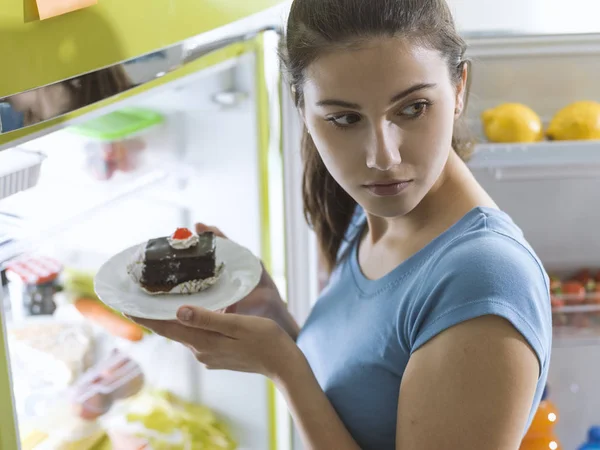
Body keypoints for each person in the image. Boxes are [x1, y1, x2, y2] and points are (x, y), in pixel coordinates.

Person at [131, 0, 552, 448]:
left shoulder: (482, 279)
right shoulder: (371, 213)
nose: (382, 157)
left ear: (460, 87)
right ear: (302, 108)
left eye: (413, 109)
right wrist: (275, 319)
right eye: (345, 119)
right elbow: (362, 404)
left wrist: (284, 366)